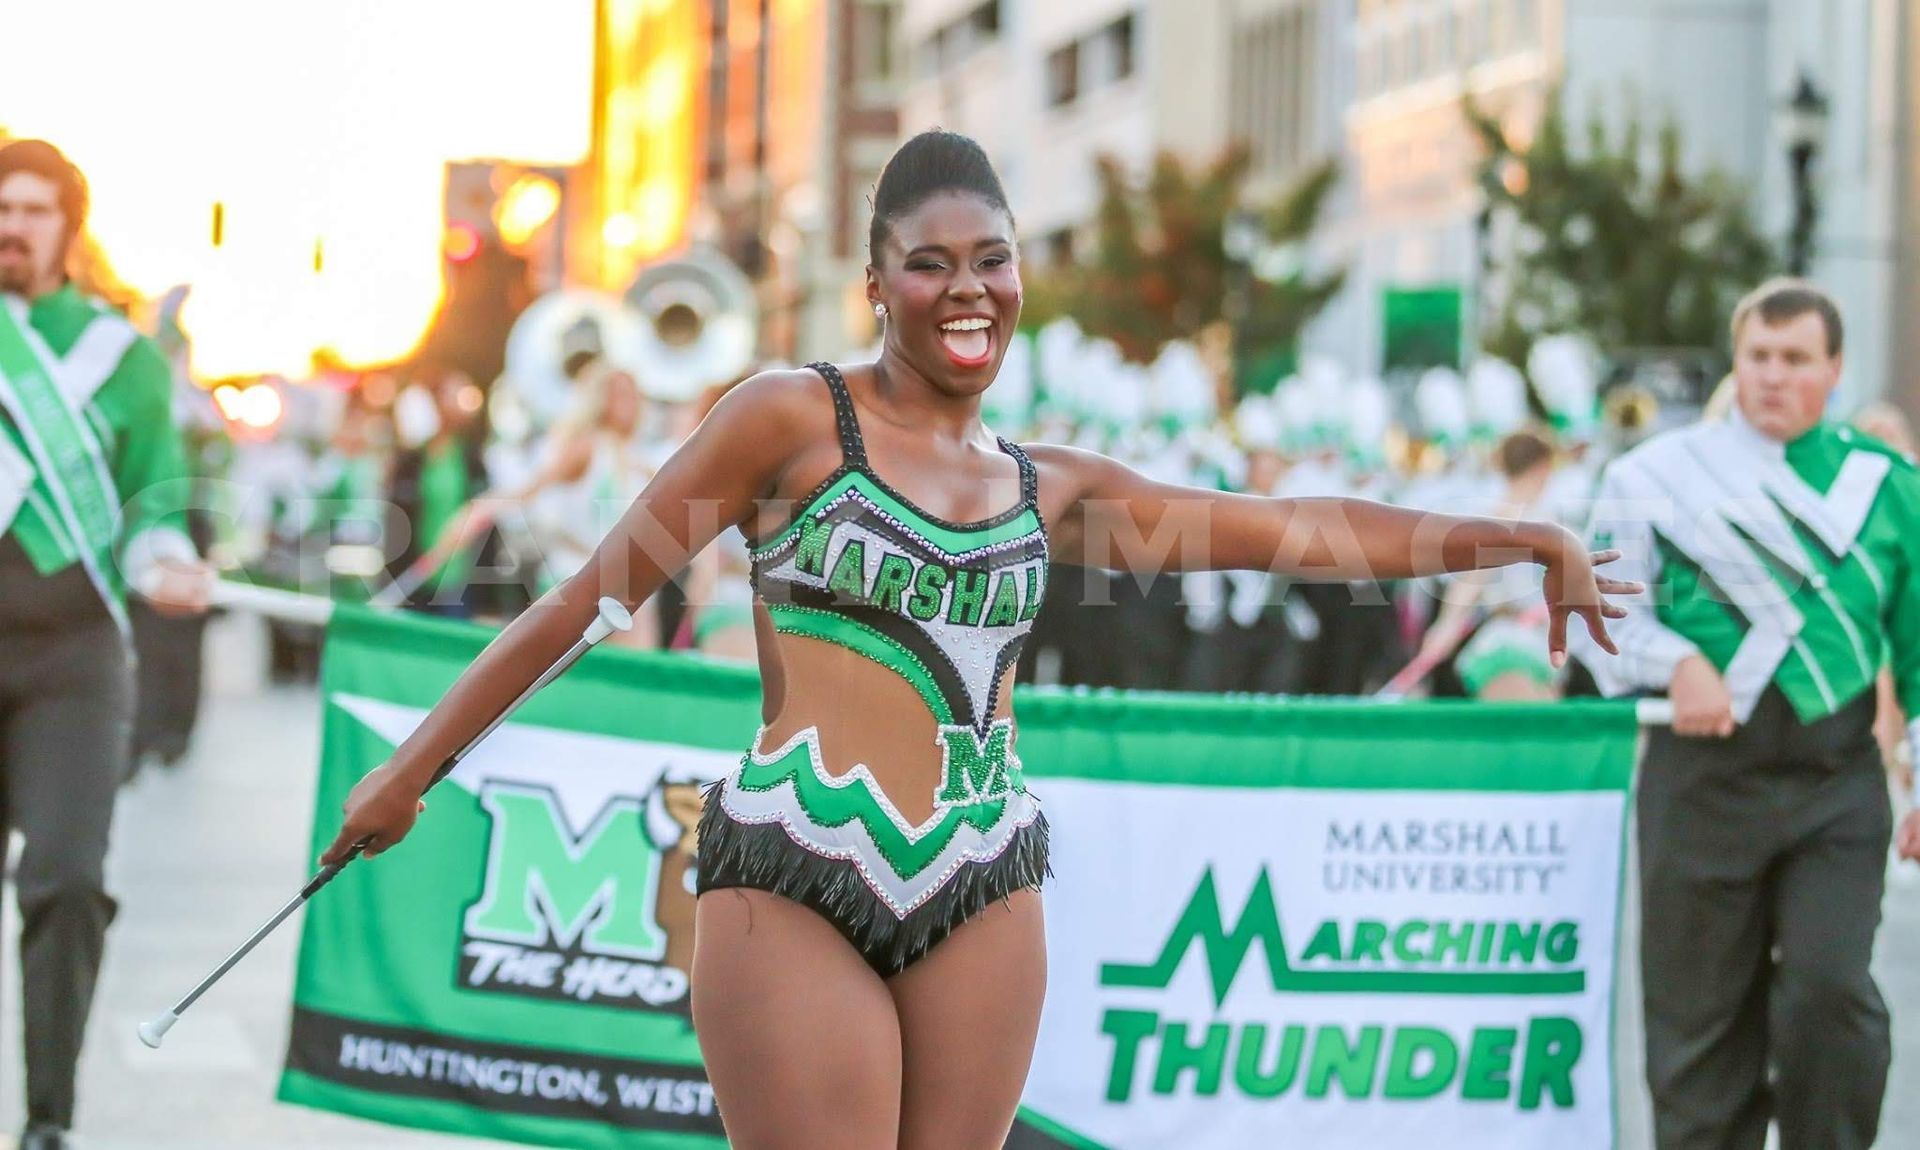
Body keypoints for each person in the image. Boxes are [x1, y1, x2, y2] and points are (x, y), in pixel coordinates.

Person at [321, 130, 1632, 1149]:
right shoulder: (787, 418)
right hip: (796, 868)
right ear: (879, 279)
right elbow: (582, 604)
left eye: (992, 259)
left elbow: (1292, 528)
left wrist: (1519, 538)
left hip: (982, 878)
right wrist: (413, 769)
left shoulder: (1047, 481)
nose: (968, 289)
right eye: (932, 262)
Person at [1581, 279, 1920, 1150]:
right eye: (1758, 357)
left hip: (1834, 780)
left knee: (1828, 992)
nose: (1773, 376)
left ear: (1835, 368)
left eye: (1796, 359)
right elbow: (1599, 616)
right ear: (1738, 361)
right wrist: (1675, 661)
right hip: (1701, 781)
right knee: (1698, 1027)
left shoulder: (1887, 489)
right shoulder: (1650, 474)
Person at [0, 139, 212, 1150]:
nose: (13, 224)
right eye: (1, 206)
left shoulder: (117, 356)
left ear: (68, 232)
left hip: (74, 658)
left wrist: (167, 558)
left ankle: (49, 1119)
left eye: (34, 210)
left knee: (68, 878)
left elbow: (153, 499)